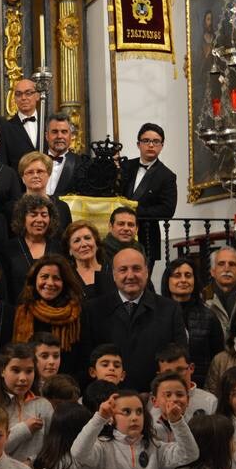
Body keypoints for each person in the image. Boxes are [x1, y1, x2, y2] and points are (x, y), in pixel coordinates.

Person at [79, 247, 188, 392]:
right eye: (123, 269)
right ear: (113, 275)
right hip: (107, 399)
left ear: (146, 272)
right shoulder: (93, 310)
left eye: (136, 269)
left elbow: (179, 359)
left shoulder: (170, 310)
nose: (130, 275)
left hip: (155, 399)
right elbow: (86, 360)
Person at [118, 122, 178, 266]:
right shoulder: (125, 166)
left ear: (162, 145)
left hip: (147, 237)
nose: (151, 145)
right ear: (138, 144)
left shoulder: (167, 176)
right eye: (146, 141)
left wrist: (136, 210)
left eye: (156, 141)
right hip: (119, 235)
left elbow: (167, 210)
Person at [0, 341, 52, 465]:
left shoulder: (43, 405)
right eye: (16, 370)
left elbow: (52, 446)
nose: (23, 378)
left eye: (29, 371)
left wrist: (32, 461)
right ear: (2, 371)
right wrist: (24, 429)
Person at [161, 254, 226, 377]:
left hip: (202, 384)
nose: (183, 280)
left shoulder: (209, 317)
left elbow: (218, 359)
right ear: (167, 280)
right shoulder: (157, 315)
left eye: (188, 275)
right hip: (166, 383)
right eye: (177, 275)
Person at [12, 252, 83, 357]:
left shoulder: (76, 312)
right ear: (34, 279)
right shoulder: (23, 311)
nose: (50, 283)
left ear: (65, 282)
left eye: (56, 278)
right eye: (44, 277)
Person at [7, 193, 58, 301]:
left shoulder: (59, 248)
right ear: (22, 218)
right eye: (33, 214)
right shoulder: (9, 249)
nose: (39, 220)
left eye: (44, 215)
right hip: (19, 312)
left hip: (54, 312)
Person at [155, 344, 219, 419]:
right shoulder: (150, 404)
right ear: (159, 375)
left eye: (180, 370)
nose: (175, 376)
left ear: (191, 368)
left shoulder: (210, 401)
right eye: (168, 372)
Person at [0, 78, 42, 167]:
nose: (23, 98)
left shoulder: (48, 124)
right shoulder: (5, 128)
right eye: (18, 94)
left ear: (37, 95)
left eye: (28, 93)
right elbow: (3, 163)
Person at [41, 112, 85, 197]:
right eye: (54, 132)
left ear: (71, 136)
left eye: (64, 132)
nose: (59, 136)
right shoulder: (35, 161)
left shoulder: (81, 164)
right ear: (46, 136)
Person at [64, 220, 106, 298]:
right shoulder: (66, 278)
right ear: (70, 250)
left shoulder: (111, 271)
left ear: (96, 243)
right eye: (77, 241)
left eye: (87, 238)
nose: (83, 244)